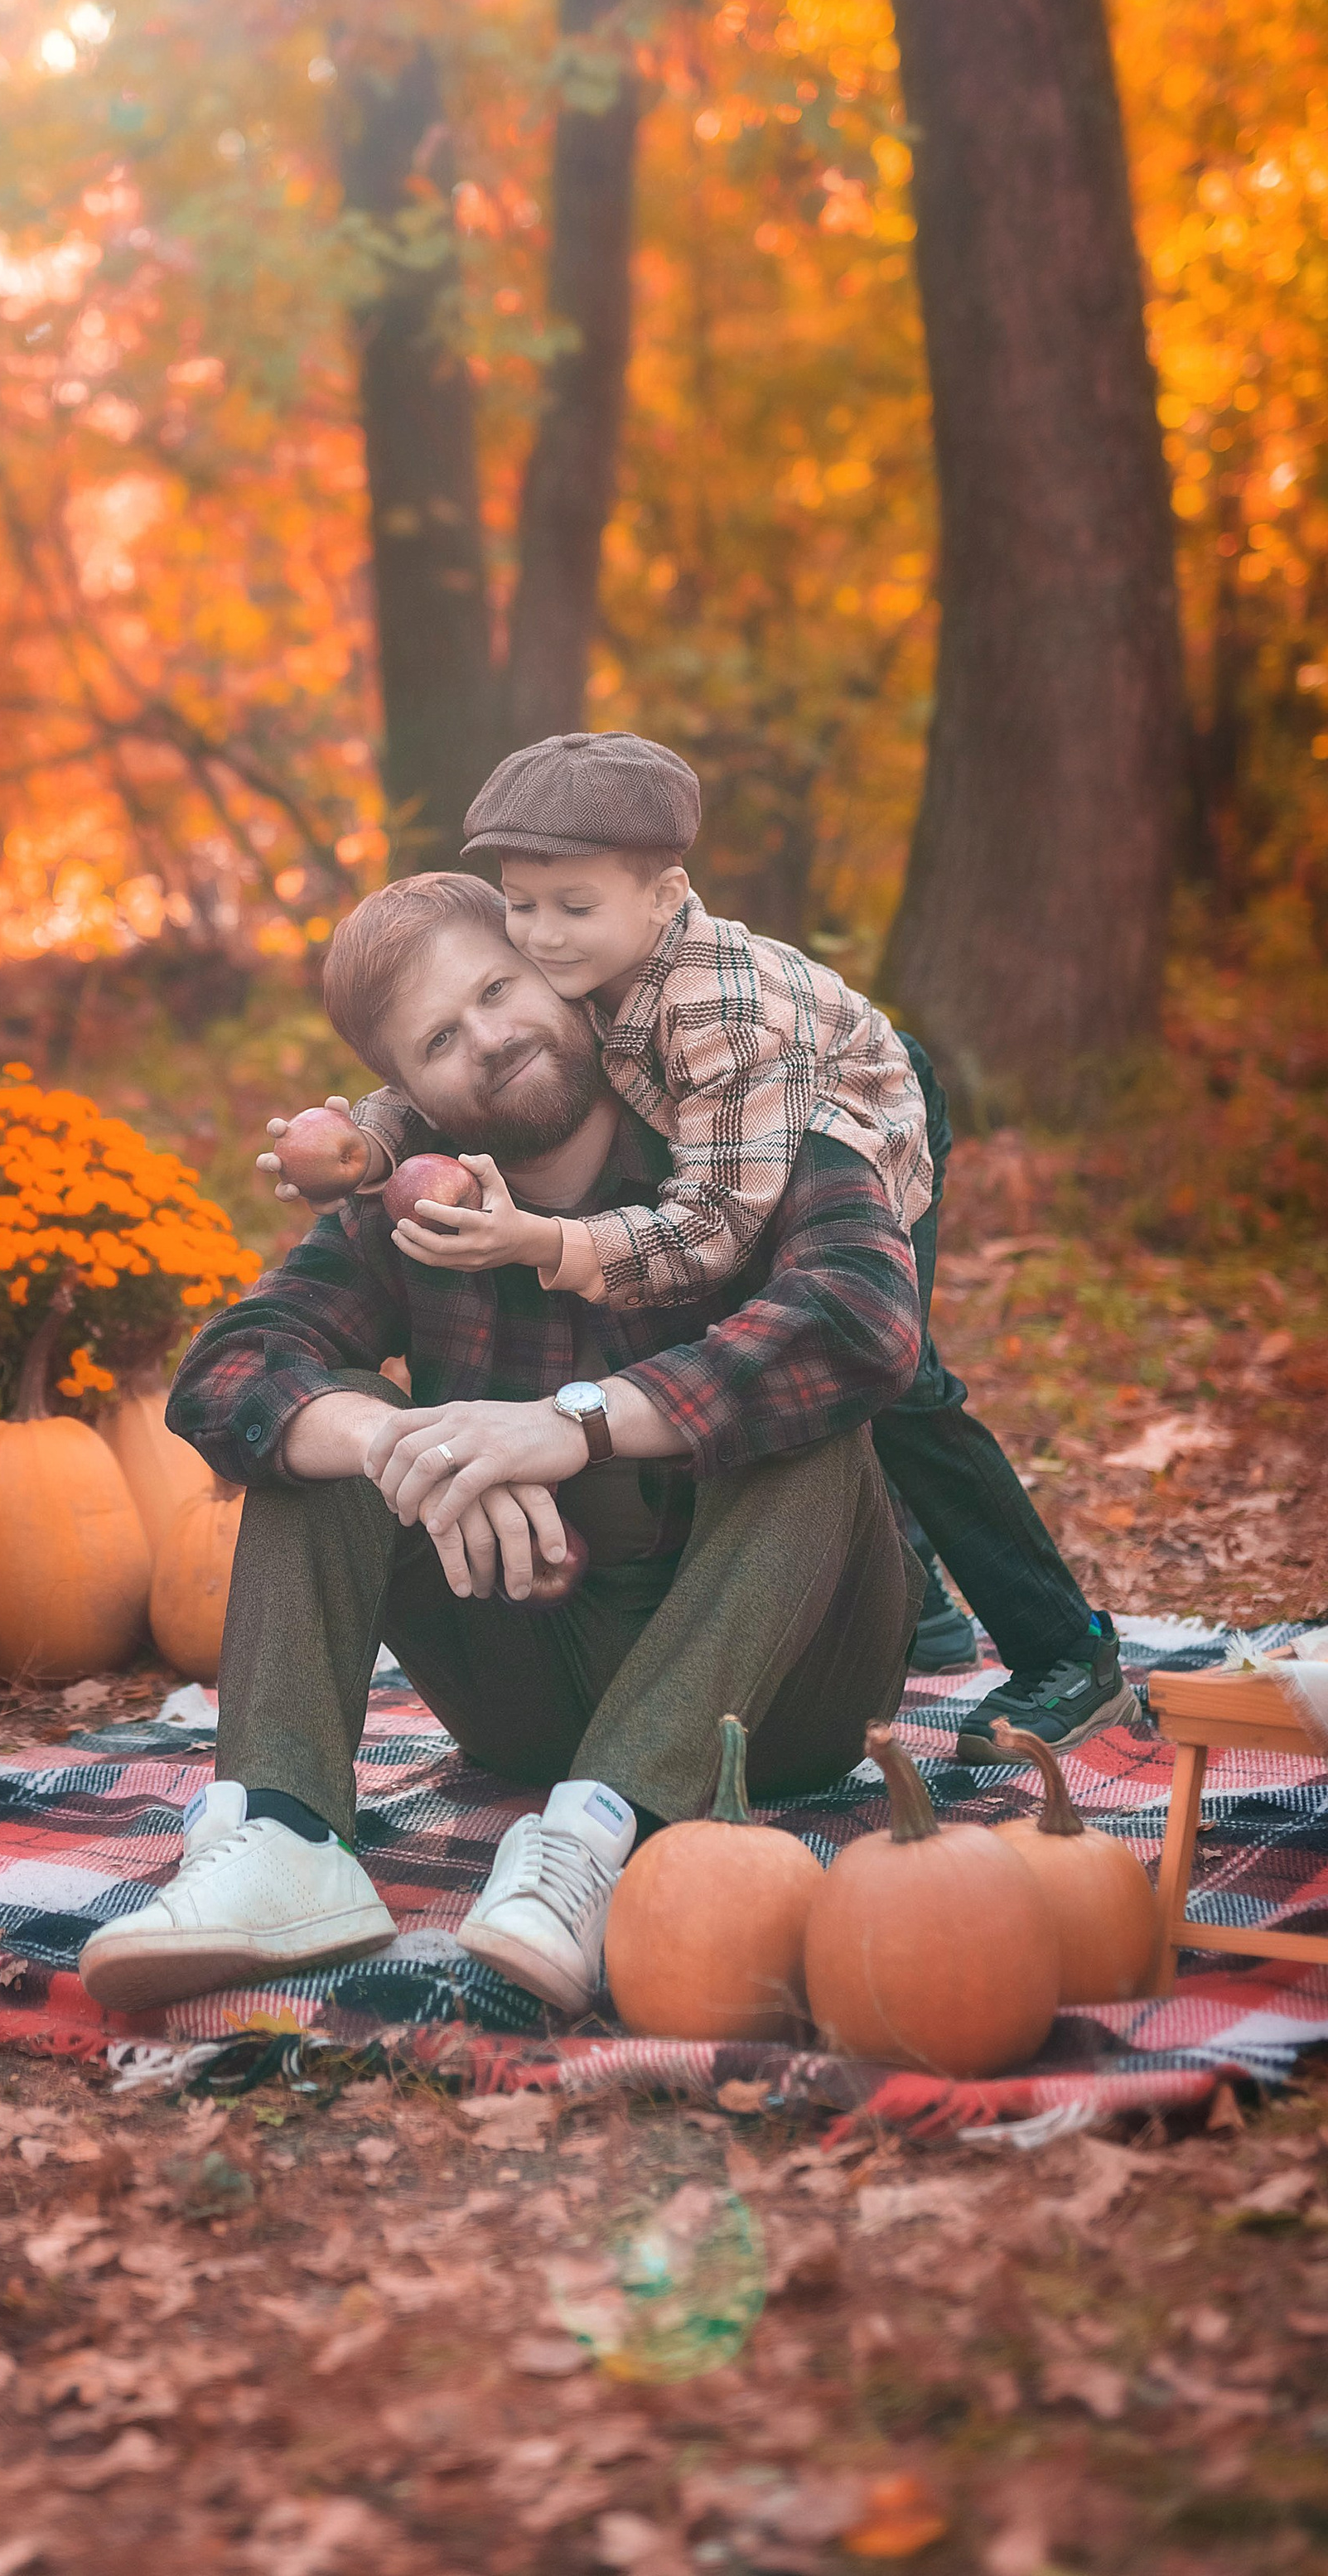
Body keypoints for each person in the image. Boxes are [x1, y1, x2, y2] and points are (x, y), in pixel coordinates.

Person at [79, 871, 930, 2018]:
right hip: (530, 1681)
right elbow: (226, 1371)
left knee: (803, 1402)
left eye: (498, 987)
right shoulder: (414, 1200)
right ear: (405, 1085)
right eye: (439, 1035)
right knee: (314, 1417)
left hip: (783, 1691)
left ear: (562, 972)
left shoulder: (744, 1117)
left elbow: (864, 1316)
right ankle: (286, 1837)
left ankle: (608, 1835)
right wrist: (406, 1444)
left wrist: (565, 1426)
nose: (487, 1037)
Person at [261, 732, 1132, 1768]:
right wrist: (371, 1141)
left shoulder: (723, 1021)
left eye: (568, 909)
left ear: (664, 893)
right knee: (797, 1372)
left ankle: (1068, 1651)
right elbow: (442, 1060)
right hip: (729, 1132)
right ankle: (922, 1604)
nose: (539, 942)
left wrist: (552, 1243)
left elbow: (711, 1227)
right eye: (522, 908)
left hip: (859, 1112)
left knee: (890, 1382)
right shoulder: (571, 963)